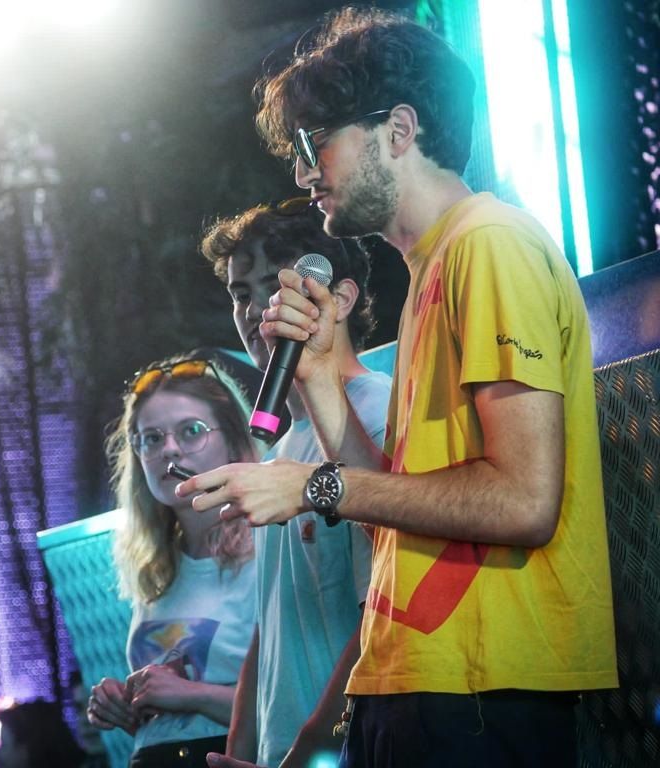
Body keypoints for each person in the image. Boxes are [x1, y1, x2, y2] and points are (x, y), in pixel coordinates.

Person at [183, 8, 618, 767]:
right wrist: (321, 380)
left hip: (482, 688)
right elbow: (399, 512)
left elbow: (524, 501)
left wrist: (313, 486)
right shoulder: (434, 269)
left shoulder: (490, 244)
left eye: (316, 143)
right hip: (419, 681)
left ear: (399, 130)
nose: (304, 174)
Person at [200, 200, 390, 768]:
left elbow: (385, 609)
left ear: (342, 299)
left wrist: (313, 748)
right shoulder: (280, 450)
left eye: (277, 286)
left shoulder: (377, 415)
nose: (257, 310)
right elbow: (270, 624)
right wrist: (243, 749)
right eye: (240, 293)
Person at [86, 355, 258, 767]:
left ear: (233, 441)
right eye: (151, 438)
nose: (170, 449)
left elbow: (298, 702)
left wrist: (189, 694)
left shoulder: (271, 548)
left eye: (191, 431)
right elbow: (171, 716)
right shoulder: (156, 570)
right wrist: (124, 705)